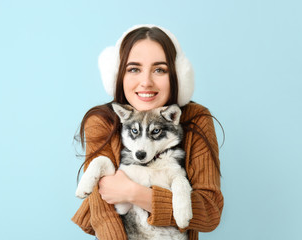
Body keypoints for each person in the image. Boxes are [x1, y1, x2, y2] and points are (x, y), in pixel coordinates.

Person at [72, 24, 224, 240]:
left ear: (177, 76)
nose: (146, 82)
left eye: (159, 69)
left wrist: (134, 193)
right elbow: (103, 215)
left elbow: (209, 213)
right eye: (134, 69)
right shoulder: (103, 120)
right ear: (118, 75)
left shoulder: (196, 118)